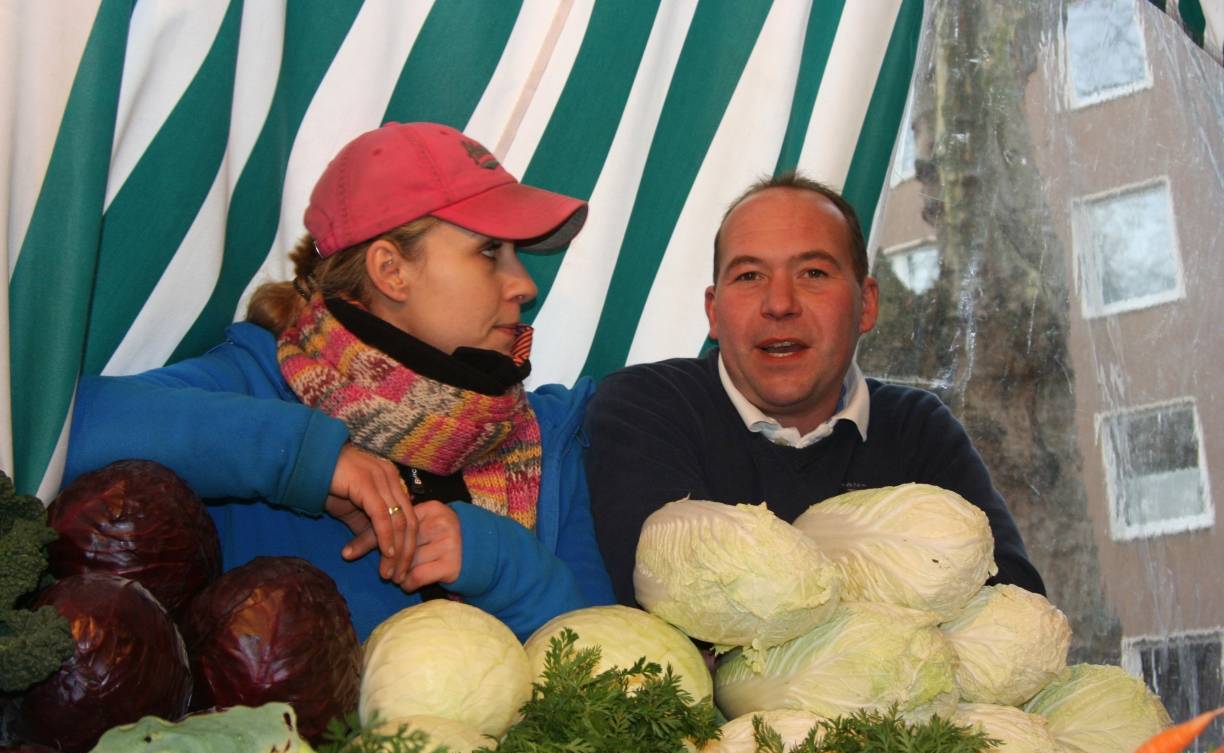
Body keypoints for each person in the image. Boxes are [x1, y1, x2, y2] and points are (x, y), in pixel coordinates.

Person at [63, 121, 615, 641]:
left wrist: (499, 562)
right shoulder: (257, 381)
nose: (524, 285)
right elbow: (60, 431)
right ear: (390, 270)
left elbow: (610, 666)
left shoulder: (543, 437)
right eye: (490, 251)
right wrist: (305, 458)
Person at [584, 171, 1046, 606]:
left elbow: (1011, 599)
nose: (780, 304)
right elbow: (666, 594)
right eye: (749, 276)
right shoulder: (648, 409)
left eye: (813, 274)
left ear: (866, 304)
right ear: (713, 311)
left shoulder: (918, 430)